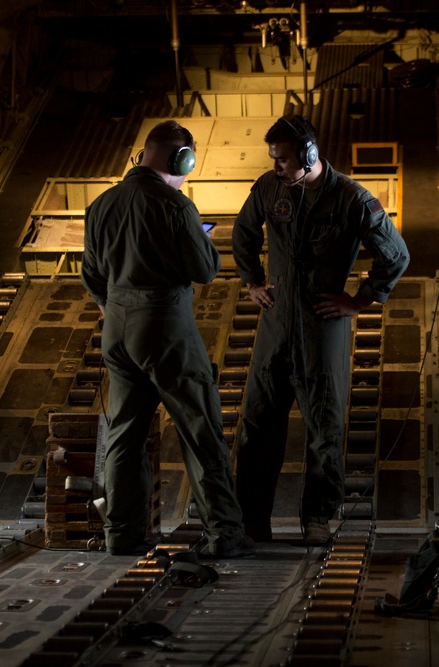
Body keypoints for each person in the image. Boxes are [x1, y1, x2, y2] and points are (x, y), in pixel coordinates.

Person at [232, 114, 410, 545]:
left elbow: (396, 255)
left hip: (322, 328)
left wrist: (360, 300)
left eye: (283, 159)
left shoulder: (351, 198)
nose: (276, 167)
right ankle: (252, 520)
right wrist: (252, 280)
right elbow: (242, 234)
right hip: (276, 327)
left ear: (309, 155)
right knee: (257, 427)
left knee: (324, 429)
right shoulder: (270, 188)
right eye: (273, 159)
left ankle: (317, 518)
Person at [81, 119, 255, 558]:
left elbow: (91, 275)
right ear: (184, 159)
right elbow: (206, 270)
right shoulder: (175, 206)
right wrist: (200, 237)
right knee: (201, 430)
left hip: (116, 328)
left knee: (124, 434)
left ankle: (121, 534)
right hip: (164, 326)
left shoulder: (101, 204)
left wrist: (114, 306)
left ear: (144, 154)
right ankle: (224, 534)